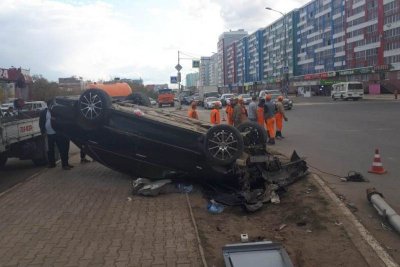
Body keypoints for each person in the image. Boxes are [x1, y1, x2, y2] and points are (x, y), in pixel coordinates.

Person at [39, 100, 73, 170]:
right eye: (51, 105)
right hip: (48, 134)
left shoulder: (57, 111)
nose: (52, 106)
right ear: (48, 105)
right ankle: (52, 164)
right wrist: (43, 132)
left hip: (58, 133)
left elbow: (63, 120)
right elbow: (41, 123)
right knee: (50, 150)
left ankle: (65, 164)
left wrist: (56, 119)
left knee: (62, 150)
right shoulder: (43, 112)